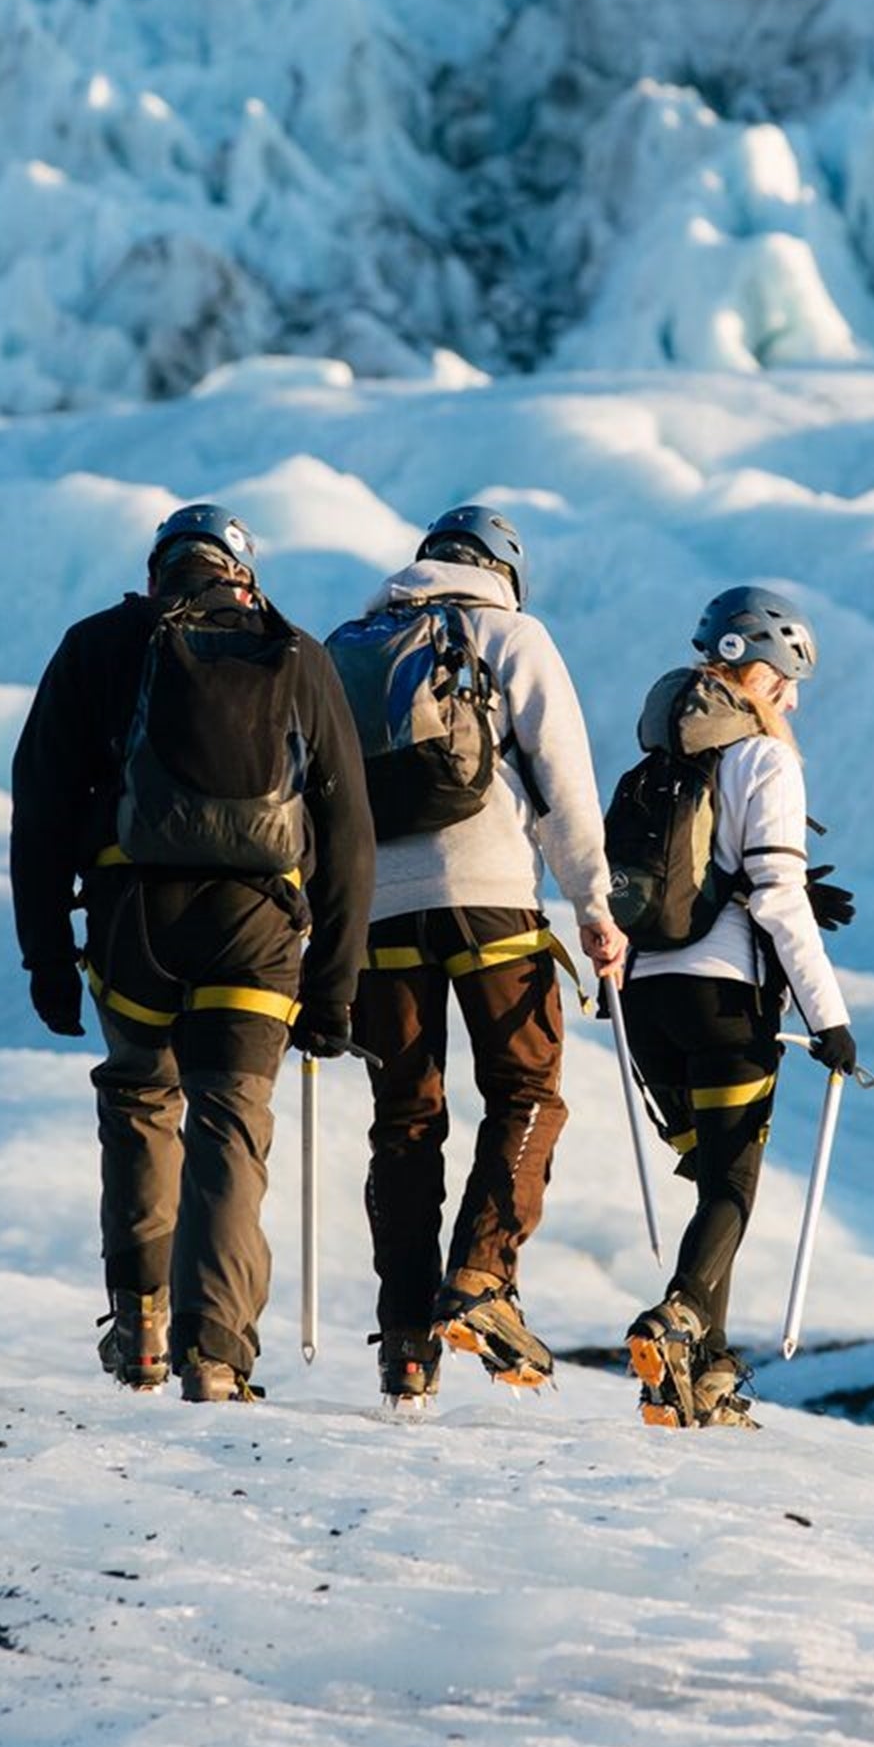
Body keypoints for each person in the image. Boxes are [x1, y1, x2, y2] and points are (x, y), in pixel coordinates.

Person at [9, 503, 373, 1403]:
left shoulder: (98, 644)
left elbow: (40, 809)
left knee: (141, 1100)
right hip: (257, 929)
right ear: (243, 575)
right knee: (230, 1126)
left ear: (156, 573)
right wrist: (333, 987)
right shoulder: (294, 653)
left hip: (135, 919)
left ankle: (140, 1327)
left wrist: (46, 954)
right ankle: (215, 1358)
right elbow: (350, 829)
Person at [344, 504, 627, 1406]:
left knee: (405, 1118)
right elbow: (563, 780)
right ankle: (481, 1281)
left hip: (378, 917)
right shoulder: (512, 633)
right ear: (504, 571)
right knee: (528, 1092)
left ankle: (406, 1347)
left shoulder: (348, 644)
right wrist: (593, 905)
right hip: (491, 898)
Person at [618, 586, 859, 1430]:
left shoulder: (653, 765)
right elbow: (778, 900)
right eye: (787, 683)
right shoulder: (766, 762)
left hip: (648, 1004)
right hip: (726, 1001)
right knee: (734, 1184)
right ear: (752, 672)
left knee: (712, 1180)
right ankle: (679, 1319)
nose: (792, 703)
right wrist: (831, 1021)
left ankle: (701, 1382)